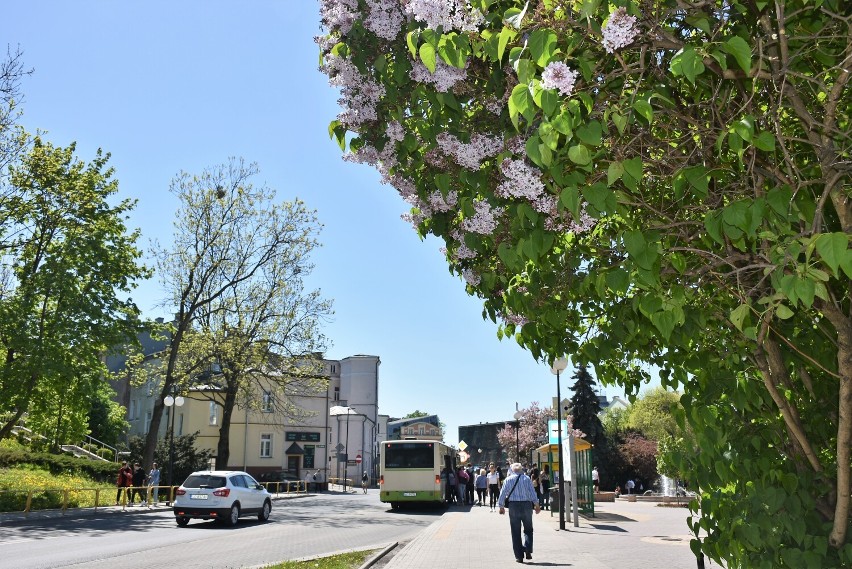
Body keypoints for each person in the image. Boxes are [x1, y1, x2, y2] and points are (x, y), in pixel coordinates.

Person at [497, 462, 541, 564]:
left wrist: (501, 506)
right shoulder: (526, 479)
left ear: (512, 470)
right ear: (521, 469)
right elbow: (532, 492)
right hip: (526, 505)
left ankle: (519, 556)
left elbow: (503, 493)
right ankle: (528, 549)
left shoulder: (508, 480)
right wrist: (537, 505)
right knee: (528, 529)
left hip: (514, 506)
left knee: (515, 531)